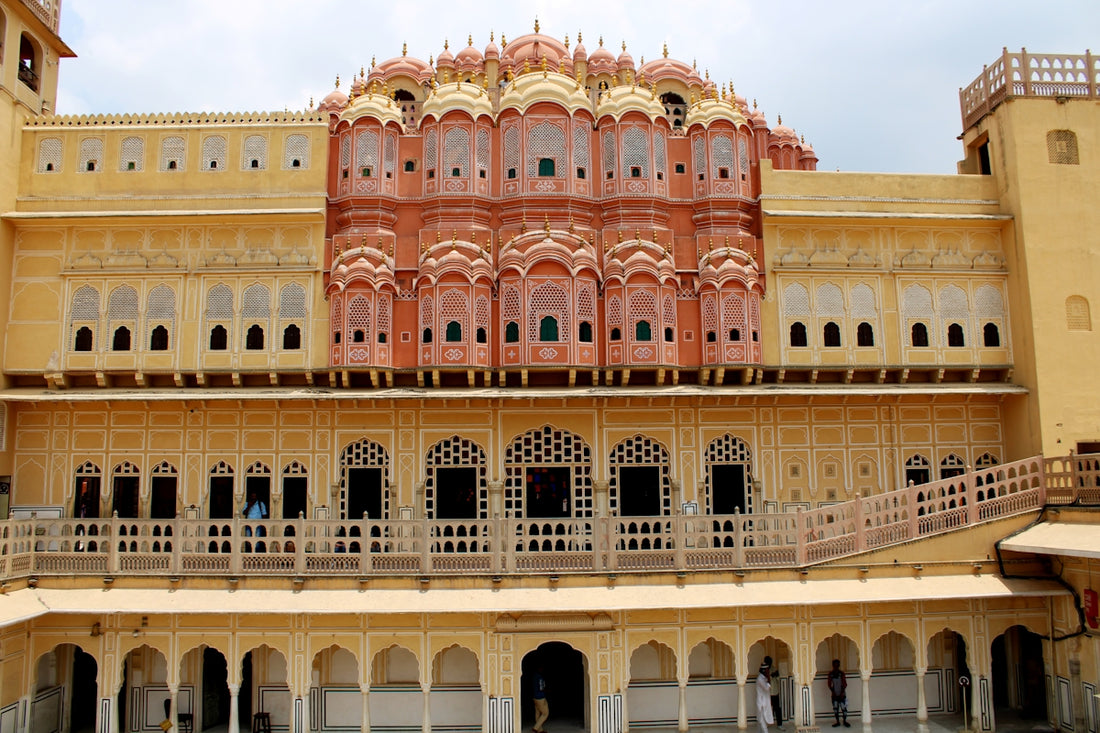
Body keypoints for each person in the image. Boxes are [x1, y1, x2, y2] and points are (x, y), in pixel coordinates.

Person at [827, 659, 849, 728]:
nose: (836, 666)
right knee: (835, 708)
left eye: (837, 665)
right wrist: (833, 692)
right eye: (834, 665)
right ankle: (838, 722)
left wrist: (841, 692)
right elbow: (829, 684)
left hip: (842, 694)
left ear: (839, 665)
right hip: (834, 694)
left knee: (844, 708)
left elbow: (845, 684)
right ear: (833, 665)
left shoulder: (841, 673)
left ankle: (844, 721)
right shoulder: (831, 674)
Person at [756, 657, 775, 733]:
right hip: (761, 703)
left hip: (764, 702)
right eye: (767, 670)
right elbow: (767, 688)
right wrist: (769, 679)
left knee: (761, 721)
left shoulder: (763, 678)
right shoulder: (760, 679)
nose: (768, 672)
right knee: (762, 721)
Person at [532, 665, 549, 733]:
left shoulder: (534, 677)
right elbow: (541, 687)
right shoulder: (539, 677)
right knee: (545, 713)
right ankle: (535, 728)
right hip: (540, 697)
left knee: (538, 713)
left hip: (534, 697)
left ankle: (540, 730)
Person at [770, 663, 783, 729]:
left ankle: (779, 724)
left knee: (777, 708)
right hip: (768, 693)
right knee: (767, 709)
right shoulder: (765, 669)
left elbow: (778, 678)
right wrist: (772, 675)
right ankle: (767, 724)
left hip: (775, 692)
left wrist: (776, 674)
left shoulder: (774, 668)